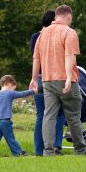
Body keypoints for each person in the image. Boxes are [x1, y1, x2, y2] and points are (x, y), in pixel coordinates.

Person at [29, 4, 86, 155]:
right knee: (73, 116)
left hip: (47, 80)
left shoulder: (43, 34)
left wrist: (34, 79)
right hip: (65, 80)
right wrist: (69, 77)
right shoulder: (69, 32)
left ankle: (48, 151)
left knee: (49, 115)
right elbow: (70, 56)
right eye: (71, 19)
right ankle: (80, 149)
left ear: (56, 16)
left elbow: (36, 58)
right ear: (68, 17)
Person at [30, 10, 66, 156]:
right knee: (59, 113)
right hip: (55, 77)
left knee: (41, 116)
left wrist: (33, 79)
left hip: (39, 77)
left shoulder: (35, 37)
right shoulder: (58, 35)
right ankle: (55, 146)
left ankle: (39, 150)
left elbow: (35, 59)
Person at [0, 75, 37, 157]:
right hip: (5, 121)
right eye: (13, 88)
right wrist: (32, 91)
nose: (14, 90)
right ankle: (18, 153)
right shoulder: (9, 93)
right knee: (10, 138)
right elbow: (21, 94)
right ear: (9, 84)